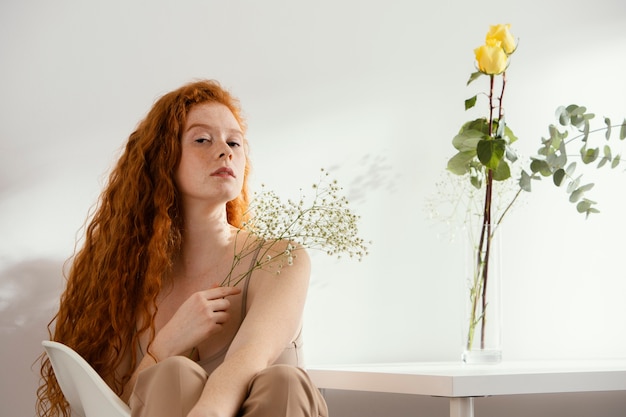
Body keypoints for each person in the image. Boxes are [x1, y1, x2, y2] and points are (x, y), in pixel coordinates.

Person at [36, 79, 328, 417]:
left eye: (234, 141)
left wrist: (208, 411)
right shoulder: (130, 279)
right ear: (165, 160)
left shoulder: (279, 259)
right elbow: (114, 407)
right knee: (173, 374)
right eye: (203, 139)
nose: (225, 151)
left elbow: (250, 354)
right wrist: (165, 345)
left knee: (285, 382)